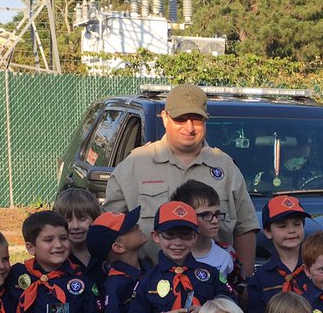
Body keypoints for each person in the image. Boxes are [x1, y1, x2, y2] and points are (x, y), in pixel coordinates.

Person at [103, 83, 258, 278]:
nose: (189, 128)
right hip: (150, 285)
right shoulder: (134, 165)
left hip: (216, 286)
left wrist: (245, 282)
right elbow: (110, 231)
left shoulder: (225, 166)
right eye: (181, 119)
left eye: (197, 119)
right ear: (165, 117)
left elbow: (244, 228)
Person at [170, 180, 250, 313]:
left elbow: (239, 294)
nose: (214, 220)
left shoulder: (226, 254)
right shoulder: (175, 255)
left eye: (217, 213)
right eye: (205, 215)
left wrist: (210, 311)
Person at [54, 187, 104, 282]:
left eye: (82, 219)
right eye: (68, 220)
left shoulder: (106, 253)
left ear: (95, 219)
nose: (75, 226)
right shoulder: (55, 259)